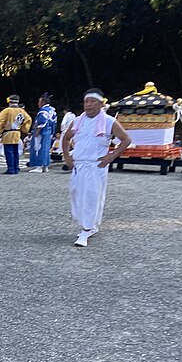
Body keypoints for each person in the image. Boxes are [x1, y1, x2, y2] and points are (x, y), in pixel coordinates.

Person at [61, 88, 131, 247]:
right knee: (77, 196)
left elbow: (126, 139)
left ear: (101, 103)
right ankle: (91, 226)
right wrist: (67, 157)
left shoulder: (108, 121)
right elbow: (66, 138)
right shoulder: (78, 120)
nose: (89, 105)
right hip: (79, 165)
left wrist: (111, 157)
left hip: (95, 165)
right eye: (86, 101)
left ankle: (86, 230)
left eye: (93, 101)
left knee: (92, 197)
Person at [0, 94, 32, 175]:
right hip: (17, 132)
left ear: (9, 101)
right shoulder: (22, 111)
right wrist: (24, 128)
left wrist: (0, 129)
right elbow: (28, 119)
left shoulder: (7, 110)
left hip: (8, 132)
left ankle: (11, 169)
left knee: (9, 152)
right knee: (15, 152)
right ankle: (16, 168)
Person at [28, 93, 58, 172]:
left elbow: (42, 122)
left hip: (42, 132)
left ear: (43, 102)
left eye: (39, 102)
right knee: (46, 149)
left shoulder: (43, 111)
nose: (38, 104)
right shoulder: (52, 110)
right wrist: (52, 132)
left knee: (38, 147)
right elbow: (54, 122)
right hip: (49, 132)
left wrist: (37, 131)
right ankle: (45, 166)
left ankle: (39, 166)